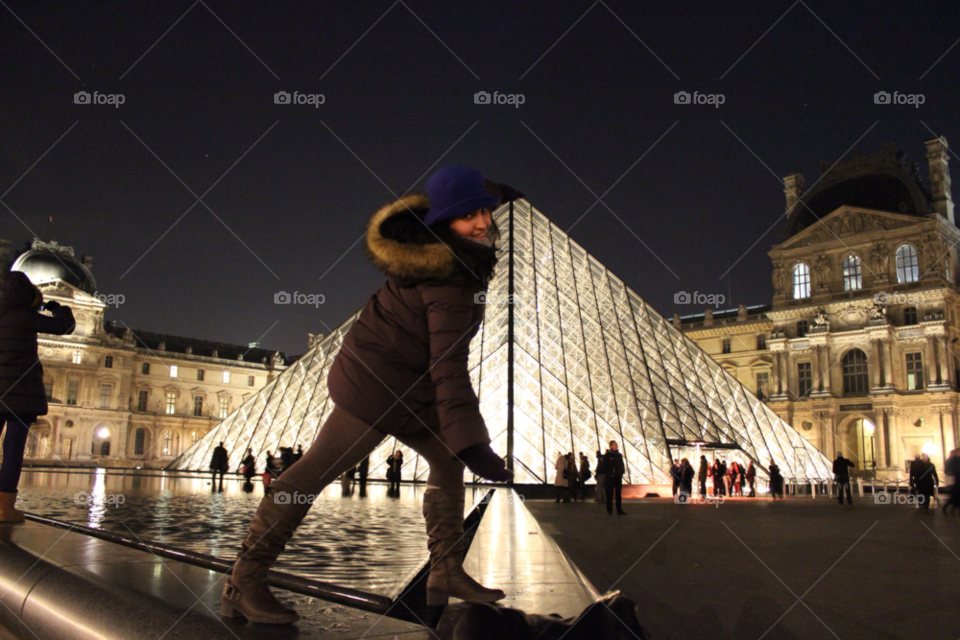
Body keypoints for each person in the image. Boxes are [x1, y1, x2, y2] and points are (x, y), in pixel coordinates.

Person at [222, 166, 521, 624]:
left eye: (484, 210)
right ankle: (244, 577)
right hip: (376, 388)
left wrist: (494, 191)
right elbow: (449, 365)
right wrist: (475, 443)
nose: (482, 222)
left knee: (445, 458)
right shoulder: (449, 275)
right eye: (468, 215)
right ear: (443, 222)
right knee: (308, 478)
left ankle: (445, 570)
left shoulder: (434, 253)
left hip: (399, 380)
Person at [0, 272, 75, 522]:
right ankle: (4, 507)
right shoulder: (24, 316)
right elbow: (65, 326)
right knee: (13, 448)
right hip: (20, 394)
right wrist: (56, 307)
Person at [602, 440, 626, 515]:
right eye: (615, 445)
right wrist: (609, 474)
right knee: (609, 494)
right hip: (610, 478)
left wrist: (621, 472)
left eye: (616, 445)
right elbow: (604, 466)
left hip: (618, 477)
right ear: (611, 446)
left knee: (618, 494)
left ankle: (619, 509)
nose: (616, 446)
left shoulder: (619, 455)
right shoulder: (607, 456)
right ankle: (610, 510)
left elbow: (622, 465)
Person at [944, 447, 960, 516]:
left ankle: (949, 507)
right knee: (954, 497)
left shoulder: (955, 460)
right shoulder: (953, 460)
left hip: (956, 481)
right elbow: (950, 471)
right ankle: (947, 507)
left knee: (955, 497)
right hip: (954, 482)